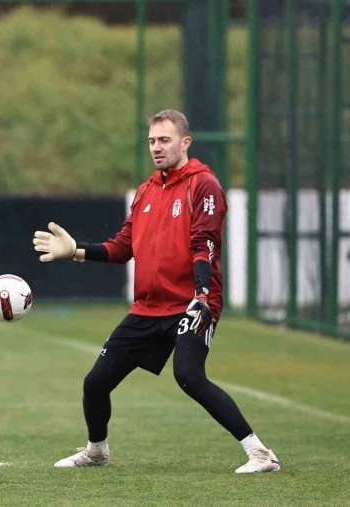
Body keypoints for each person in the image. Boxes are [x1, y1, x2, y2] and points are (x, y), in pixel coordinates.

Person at [32, 110, 280, 474]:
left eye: (164, 140)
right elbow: (122, 247)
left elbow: (204, 245)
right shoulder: (147, 190)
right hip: (149, 307)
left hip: (193, 303)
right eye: (151, 141)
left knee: (189, 375)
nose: (156, 148)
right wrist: (77, 251)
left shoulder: (203, 184)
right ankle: (96, 452)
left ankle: (260, 454)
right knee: (95, 382)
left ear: (185, 142)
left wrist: (200, 295)